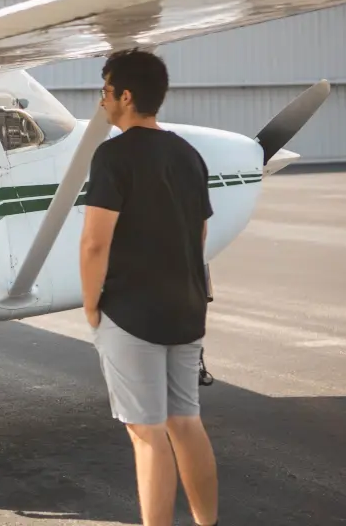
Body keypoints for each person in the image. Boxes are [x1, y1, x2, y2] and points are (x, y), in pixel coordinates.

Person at [80, 49, 219, 526]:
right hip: (186, 309)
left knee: (147, 433)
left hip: (131, 314)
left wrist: (92, 306)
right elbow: (199, 236)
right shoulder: (188, 154)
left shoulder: (112, 156)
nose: (101, 101)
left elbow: (95, 243)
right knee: (186, 422)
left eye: (105, 91)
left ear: (126, 95)